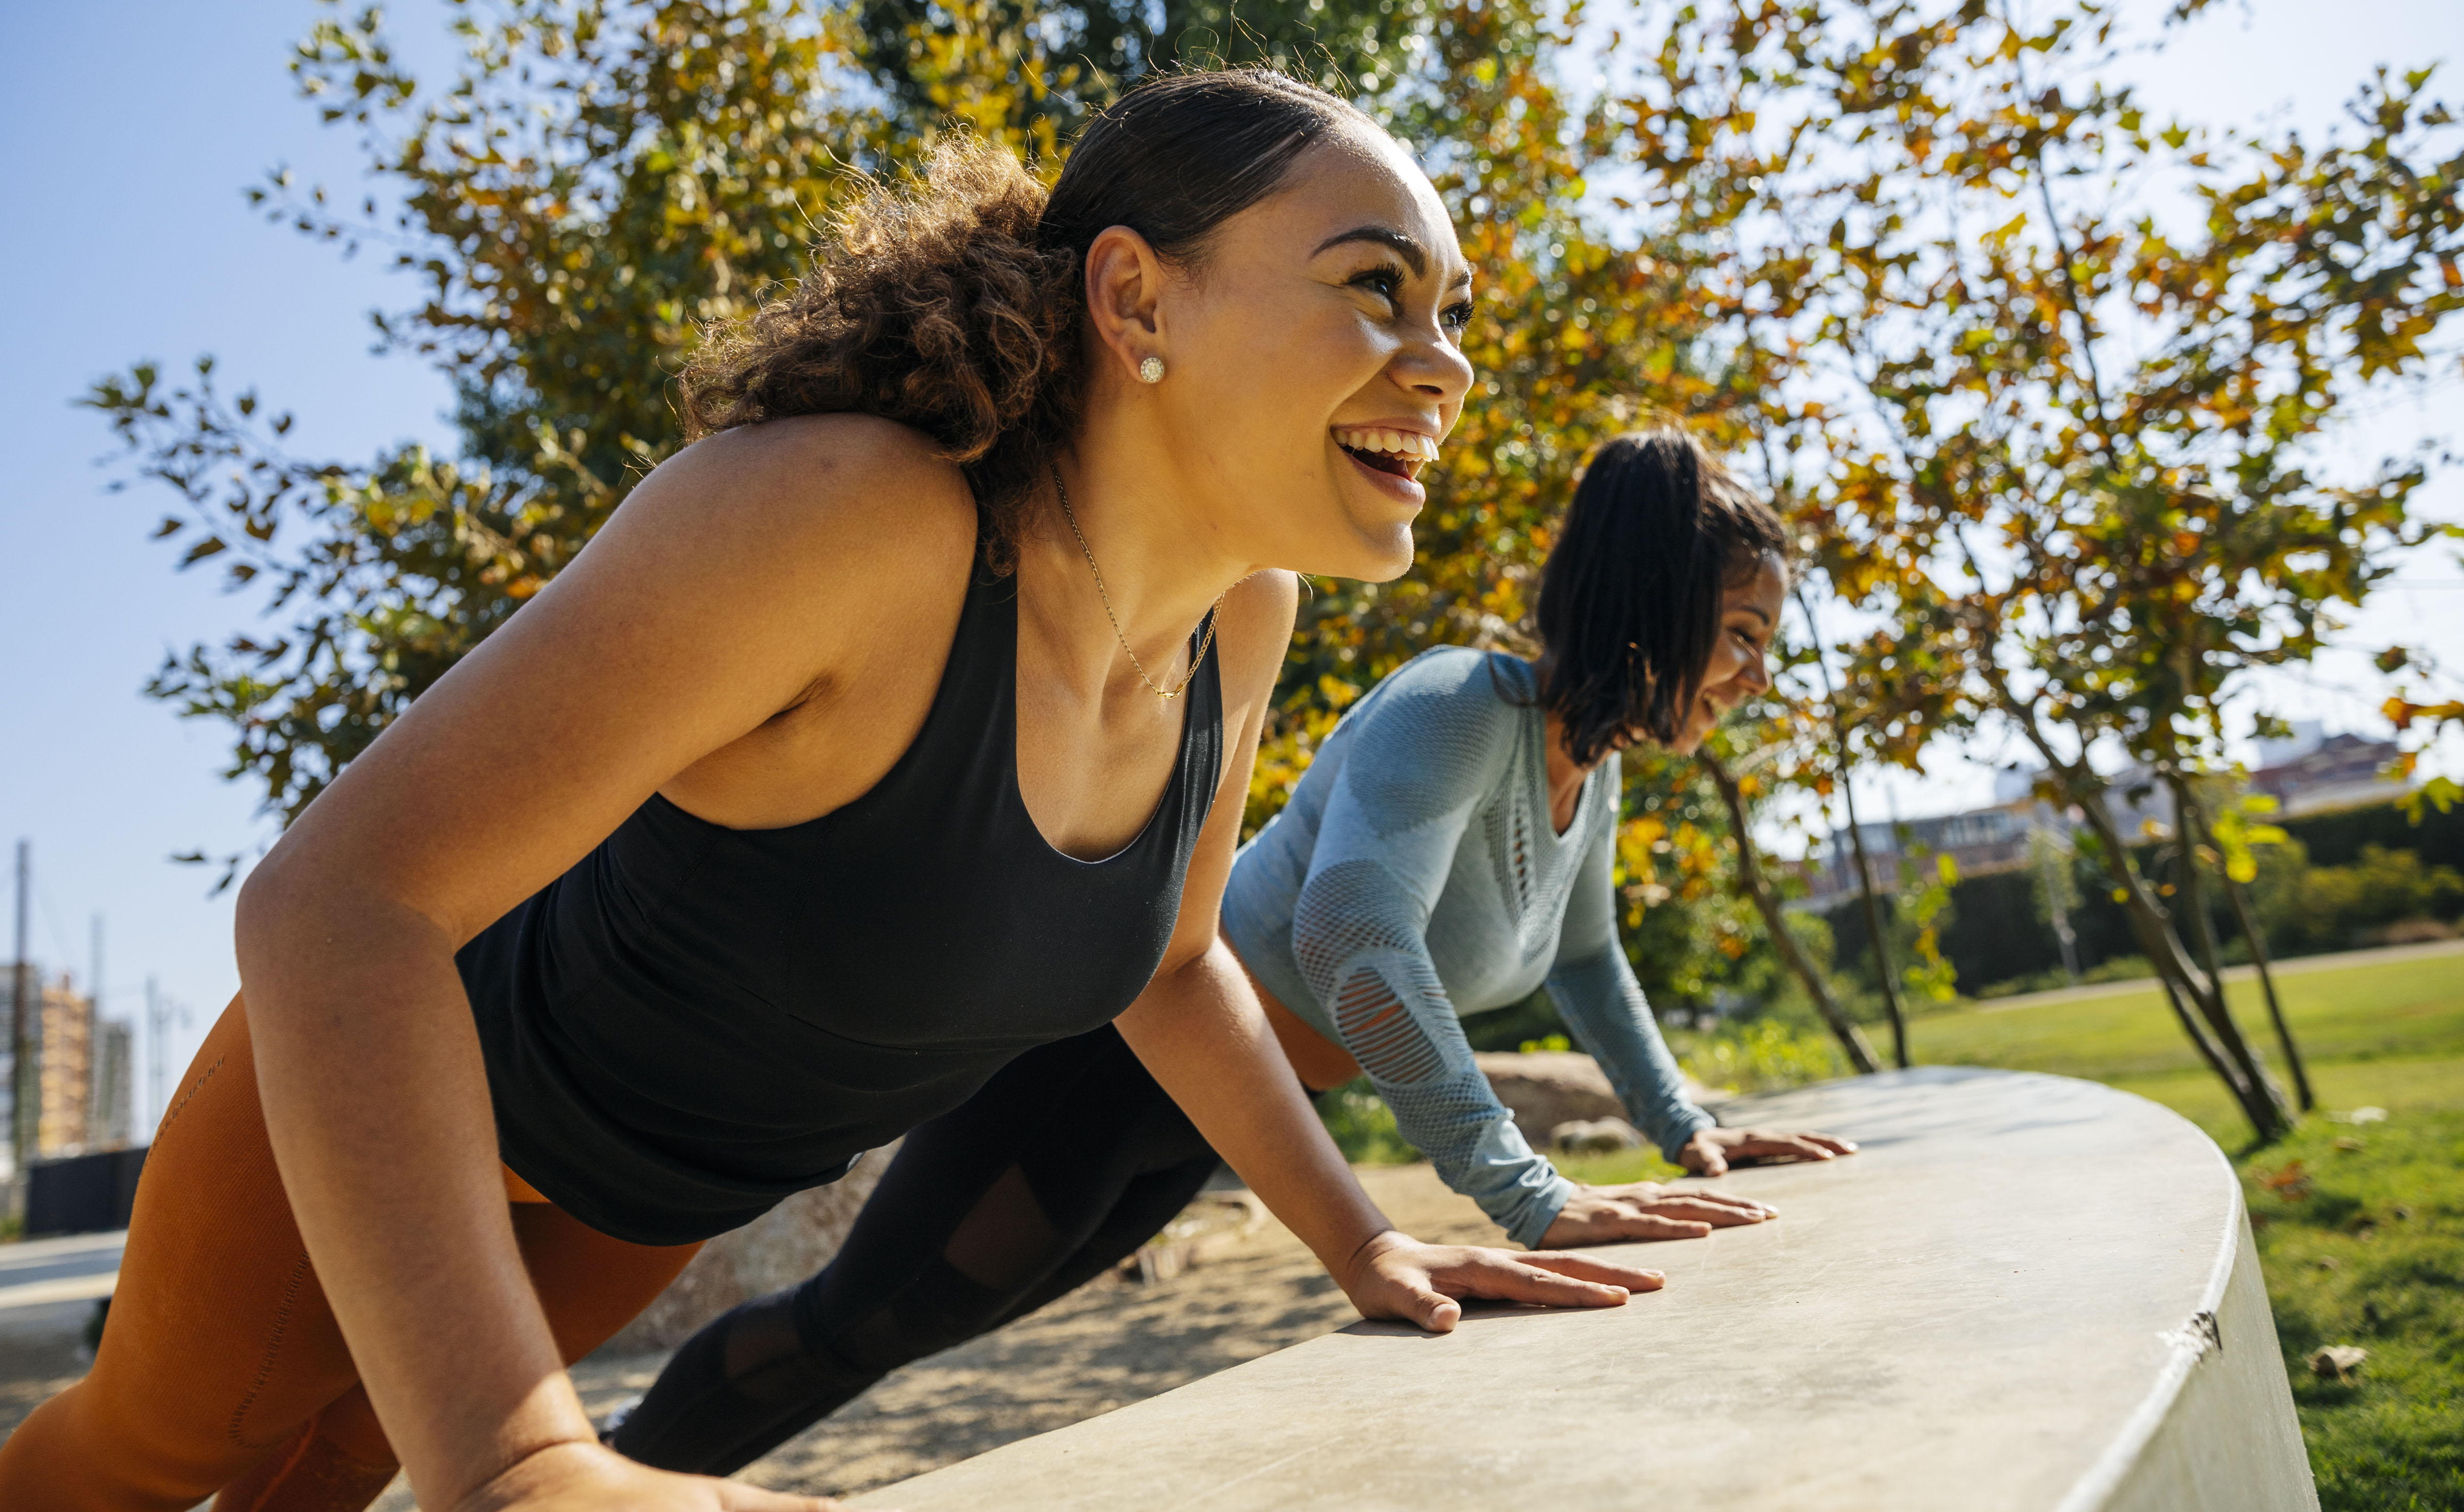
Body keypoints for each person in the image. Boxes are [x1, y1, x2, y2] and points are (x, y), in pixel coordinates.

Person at [0, 69, 1674, 1512]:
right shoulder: (854, 516)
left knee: (331, 1465)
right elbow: (336, 902)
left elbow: (1166, 964)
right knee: (163, 1450)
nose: (1441, 363)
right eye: (1375, 288)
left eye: (1453, 314)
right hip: (395, 1103)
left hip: (649, 1191)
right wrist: (515, 1463)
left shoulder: (1242, 612)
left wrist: (1366, 1246)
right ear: (1138, 300)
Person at [608, 429, 1859, 1477]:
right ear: (1657, 600)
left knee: (908, 1326)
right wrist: (1528, 1193)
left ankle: (624, 1480)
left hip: (1222, 1110)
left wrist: (1686, 1122)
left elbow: (1586, 957)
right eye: (1742, 632)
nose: (1756, 672)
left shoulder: (1589, 772)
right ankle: (593, 1470)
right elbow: (1353, 937)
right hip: (1105, 1064)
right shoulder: (1461, 708)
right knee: (867, 1321)